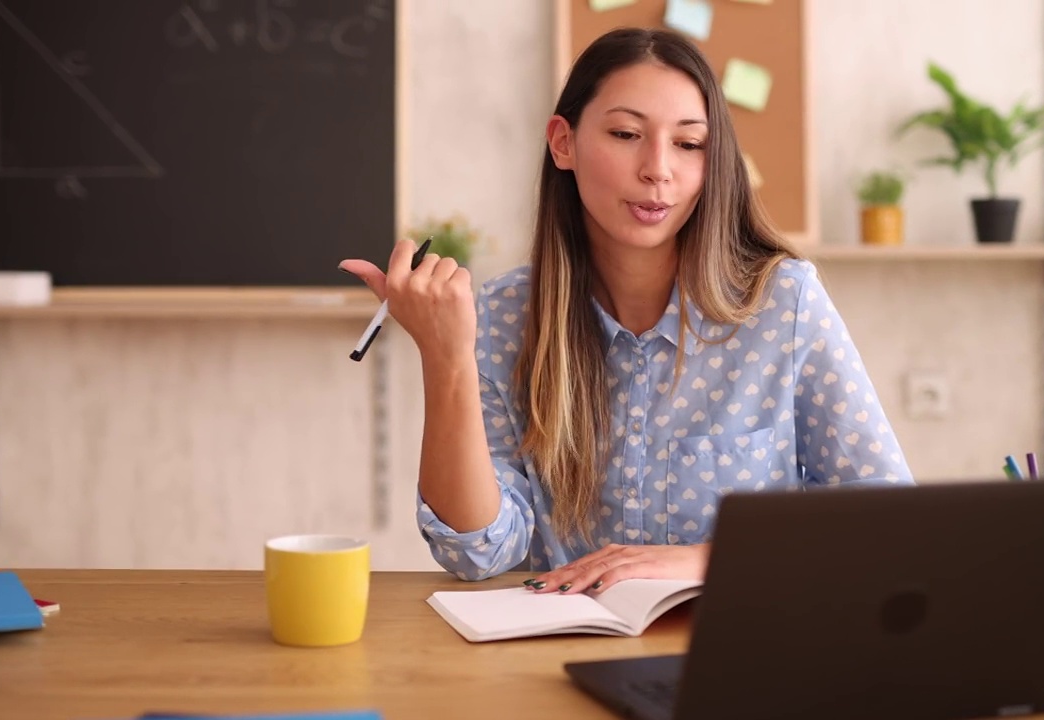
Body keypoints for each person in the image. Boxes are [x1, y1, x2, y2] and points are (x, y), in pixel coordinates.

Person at [339, 27, 913, 596]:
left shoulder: (782, 303)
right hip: (554, 659)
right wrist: (447, 359)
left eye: (689, 144)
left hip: (741, 653)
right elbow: (477, 551)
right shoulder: (504, 315)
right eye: (625, 133)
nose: (658, 169)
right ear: (563, 143)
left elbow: (887, 523)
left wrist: (703, 561)